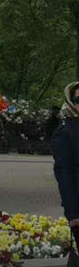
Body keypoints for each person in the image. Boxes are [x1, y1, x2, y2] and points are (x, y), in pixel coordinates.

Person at [51, 81, 79, 250]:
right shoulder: (65, 133)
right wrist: (73, 214)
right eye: (78, 100)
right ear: (71, 103)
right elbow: (64, 174)